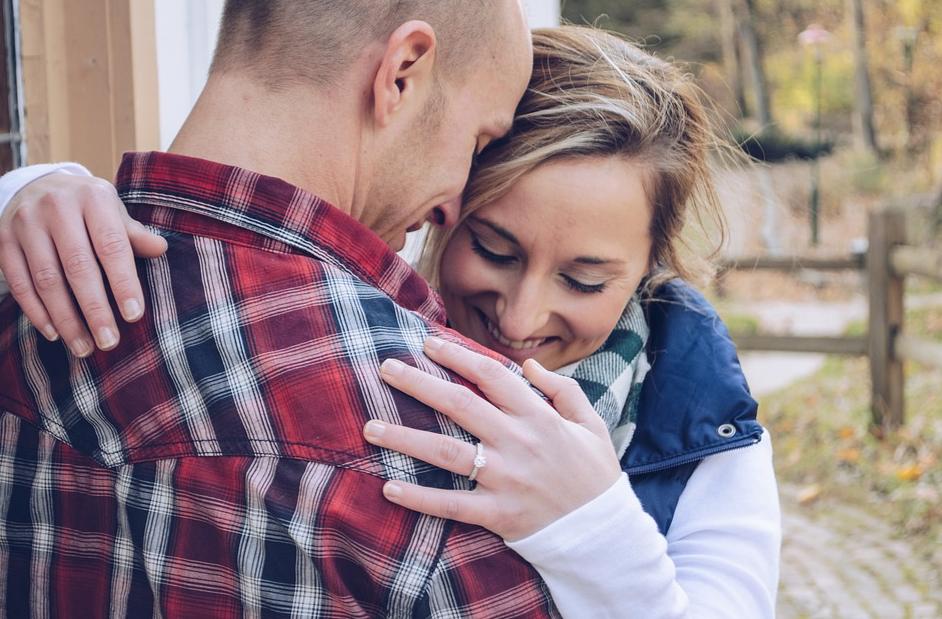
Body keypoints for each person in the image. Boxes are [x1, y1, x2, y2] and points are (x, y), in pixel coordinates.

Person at [0, 25, 781, 619]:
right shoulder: (380, 376)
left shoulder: (704, 430)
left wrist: (600, 528)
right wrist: (33, 188)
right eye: (493, 247)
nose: (520, 314)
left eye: (585, 277)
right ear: (449, 202)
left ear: (650, 266)